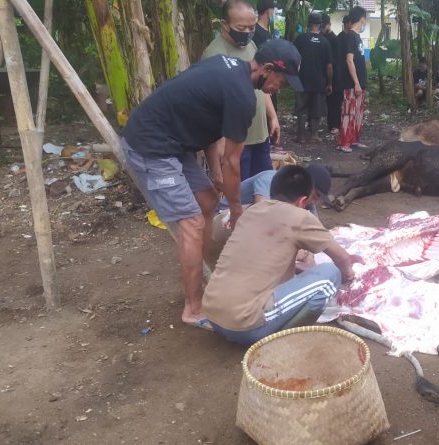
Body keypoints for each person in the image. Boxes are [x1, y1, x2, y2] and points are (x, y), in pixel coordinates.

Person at [121, 39, 304, 329]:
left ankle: (203, 274)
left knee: (207, 201)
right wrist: (236, 209)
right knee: (192, 223)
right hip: (151, 145)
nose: (279, 89)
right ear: (268, 69)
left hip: (174, 141)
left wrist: (216, 176)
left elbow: (206, 125)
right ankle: (193, 308)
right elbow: (233, 162)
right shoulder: (242, 97)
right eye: (281, 81)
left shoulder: (230, 68)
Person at [202, 165, 359, 344]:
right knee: (331, 274)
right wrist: (348, 275)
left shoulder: (251, 211)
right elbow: (341, 258)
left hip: (212, 314)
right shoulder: (300, 217)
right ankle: (282, 338)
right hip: (244, 325)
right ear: (302, 201)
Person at [202, 0, 280, 182]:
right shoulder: (214, 54)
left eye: (251, 27)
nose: (247, 32)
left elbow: (261, 84)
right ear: (225, 25)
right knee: (240, 190)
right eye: (241, 27)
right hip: (235, 142)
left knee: (263, 185)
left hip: (260, 135)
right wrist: (219, 143)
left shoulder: (251, 46)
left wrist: (272, 116)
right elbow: (211, 107)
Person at [293, 12, 333, 143]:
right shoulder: (325, 42)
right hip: (319, 82)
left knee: (301, 109)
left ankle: (301, 136)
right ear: (320, 25)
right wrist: (330, 83)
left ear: (308, 24)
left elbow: (293, 59)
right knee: (317, 109)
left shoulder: (300, 39)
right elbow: (329, 67)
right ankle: (314, 135)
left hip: (302, 80)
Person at [336, 6, 369, 153]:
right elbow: (349, 60)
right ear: (362, 19)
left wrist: (361, 84)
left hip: (360, 83)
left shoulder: (357, 37)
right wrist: (356, 83)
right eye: (365, 19)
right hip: (351, 83)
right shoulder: (350, 36)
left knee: (358, 114)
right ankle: (344, 142)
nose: (365, 22)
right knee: (348, 113)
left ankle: (354, 139)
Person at [321, 13, 343, 133]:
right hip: (323, 73)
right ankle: (329, 124)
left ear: (329, 25)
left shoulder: (335, 40)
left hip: (334, 73)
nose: (322, 28)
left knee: (334, 101)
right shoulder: (321, 37)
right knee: (327, 100)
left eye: (324, 26)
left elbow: (337, 60)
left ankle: (335, 124)